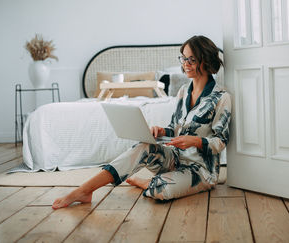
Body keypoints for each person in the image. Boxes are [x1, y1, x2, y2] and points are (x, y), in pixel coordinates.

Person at [52, 35, 232, 209]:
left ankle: (147, 182)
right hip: (175, 159)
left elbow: (221, 141)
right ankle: (84, 191)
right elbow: (175, 129)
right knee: (143, 147)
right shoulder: (183, 91)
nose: (185, 64)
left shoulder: (221, 97)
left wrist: (195, 141)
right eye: (183, 58)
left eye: (191, 59)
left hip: (201, 171)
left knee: (160, 190)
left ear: (206, 61)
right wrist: (162, 131)